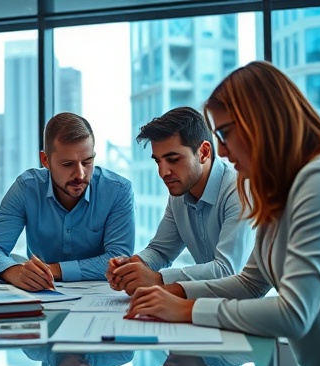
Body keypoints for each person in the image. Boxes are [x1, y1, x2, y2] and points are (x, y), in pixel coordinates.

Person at [125, 61, 320, 366]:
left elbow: (293, 314)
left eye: (226, 133)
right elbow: (250, 283)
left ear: (262, 124)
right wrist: (171, 294)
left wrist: (186, 310)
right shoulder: (279, 190)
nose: (223, 151)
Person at [0, 112, 135, 291]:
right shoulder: (27, 188)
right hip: (42, 297)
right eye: (68, 164)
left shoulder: (118, 190)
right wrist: (14, 271)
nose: (80, 174)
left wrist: (53, 270)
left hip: (101, 299)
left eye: (87, 162)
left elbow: (119, 259)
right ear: (45, 160)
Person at [105, 107, 254, 295]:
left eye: (173, 160)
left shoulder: (239, 191)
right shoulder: (179, 193)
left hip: (246, 310)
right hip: (207, 303)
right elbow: (161, 251)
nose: (163, 173)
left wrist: (159, 280)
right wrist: (132, 266)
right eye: (158, 161)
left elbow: (228, 271)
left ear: (204, 152)